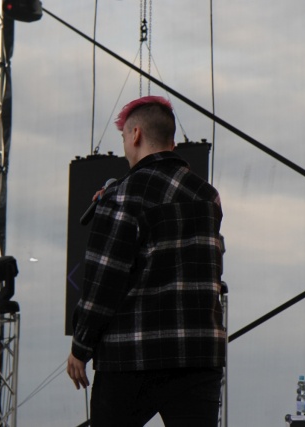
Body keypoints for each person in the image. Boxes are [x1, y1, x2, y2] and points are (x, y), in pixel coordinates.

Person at [67, 96, 226, 426]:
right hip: (197, 355)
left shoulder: (123, 195)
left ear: (136, 134)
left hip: (131, 355)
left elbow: (104, 281)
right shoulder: (208, 196)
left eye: (124, 137)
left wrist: (81, 346)